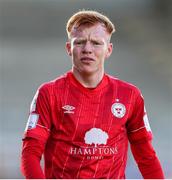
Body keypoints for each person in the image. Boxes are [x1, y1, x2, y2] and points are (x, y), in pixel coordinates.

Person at [21, 10, 164, 179]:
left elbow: (146, 155)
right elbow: (30, 153)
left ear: (109, 50)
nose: (87, 49)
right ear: (69, 48)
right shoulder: (49, 93)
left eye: (96, 43)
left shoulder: (130, 95)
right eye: (80, 42)